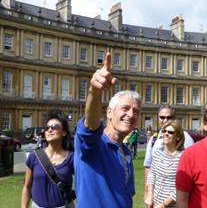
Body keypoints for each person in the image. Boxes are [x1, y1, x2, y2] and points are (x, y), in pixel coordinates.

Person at [74, 52, 141, 207]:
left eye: (136, 111)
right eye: (125, 108)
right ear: (109, 112)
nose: (131, 115)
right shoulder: (93, 145)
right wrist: (95, 91)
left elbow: (126, 195)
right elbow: (90, 127)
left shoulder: (125, 152)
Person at [21, 109, 74, 208]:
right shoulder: (34, 156)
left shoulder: (71, 158)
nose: (50, 130)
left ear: (64, 132)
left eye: (54, 127)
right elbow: (27, 187)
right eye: (47, 128)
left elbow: (83, 184)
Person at [143, 105, 194, 200]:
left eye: (169, 117)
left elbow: (190, 174)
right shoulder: (154, 139)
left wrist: (165, 204)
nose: (165, 120)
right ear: (158, 118)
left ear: (174, 118)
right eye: (162, 117)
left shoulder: (186, 138)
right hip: (156, 199)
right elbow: (148, 167)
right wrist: (147, 194)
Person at [145, 120, 185, 208]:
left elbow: (181, 187)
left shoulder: (183, 157)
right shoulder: (158, 152)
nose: (166, 134)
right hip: (154, 204)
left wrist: (163, 205)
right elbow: (152, 174)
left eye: (170, 132)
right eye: (164, 131)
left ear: (178, 137)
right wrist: (150, 195)